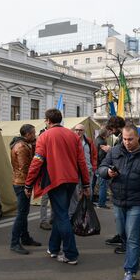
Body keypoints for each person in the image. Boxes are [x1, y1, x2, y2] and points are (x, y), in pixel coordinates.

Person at [98, 124, 140, 280]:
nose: (126, 142)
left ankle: (130, 271)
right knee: (123, 234)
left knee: (133, 237)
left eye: (130, 139)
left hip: (138, 202)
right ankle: (137, 254)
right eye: (124, 139)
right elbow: (101, 168)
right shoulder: (115, 151)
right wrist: (108, 172)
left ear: (138, 138)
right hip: (118, 201)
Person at [25, 109, 90, 265]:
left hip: (55, 181)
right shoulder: (73, 136)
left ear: (48, 120)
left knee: (61, 216)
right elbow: (81, 162)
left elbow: (37, 161)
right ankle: (53, 248)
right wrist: (86, 183)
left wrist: (28, 184)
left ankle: (71, 254)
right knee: (60, 214)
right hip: (72, 180)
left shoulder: (44, 136)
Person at [9, 124, 42, 254]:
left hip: (21, 182)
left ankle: (25, 237)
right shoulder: (21, 147)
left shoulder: (21, 144)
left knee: (24, 212)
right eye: (33, 133)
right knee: (22, 214)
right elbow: (25, 168)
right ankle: (14, 242)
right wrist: (31, 182)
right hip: (22, 183)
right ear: (27, 134)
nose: (35, 136)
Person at [104, 116, 127, 247]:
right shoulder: (120, 137)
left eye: (112, 129)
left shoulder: (124, 138)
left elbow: (122, 156)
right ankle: (120, 235)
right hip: (118, 180)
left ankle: (124, 240)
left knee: (121, 214)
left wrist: (110, 151)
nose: (112, 132)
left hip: (123, 180)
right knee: (119, 214)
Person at [69, 123, 98, 217]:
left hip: (88, 170)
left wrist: (94, 167)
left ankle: (87, 213)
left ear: (84, 131)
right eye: (76, 130)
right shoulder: (71, 141)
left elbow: (94, 155)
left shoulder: (88, 141)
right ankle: (75, 215)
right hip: (76, 172)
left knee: (88, 192)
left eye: (80, 130)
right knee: (76, 194)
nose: (78, 132)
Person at [93, 127, 111, 208]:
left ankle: (93, 200)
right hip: (100, 165)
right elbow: (101, 156)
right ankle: (101, 203)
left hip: (95, 165)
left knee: (93, 184)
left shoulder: (96, 140)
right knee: (103, 185)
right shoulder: (102, 142)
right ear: (105, 134)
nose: (109, 134)